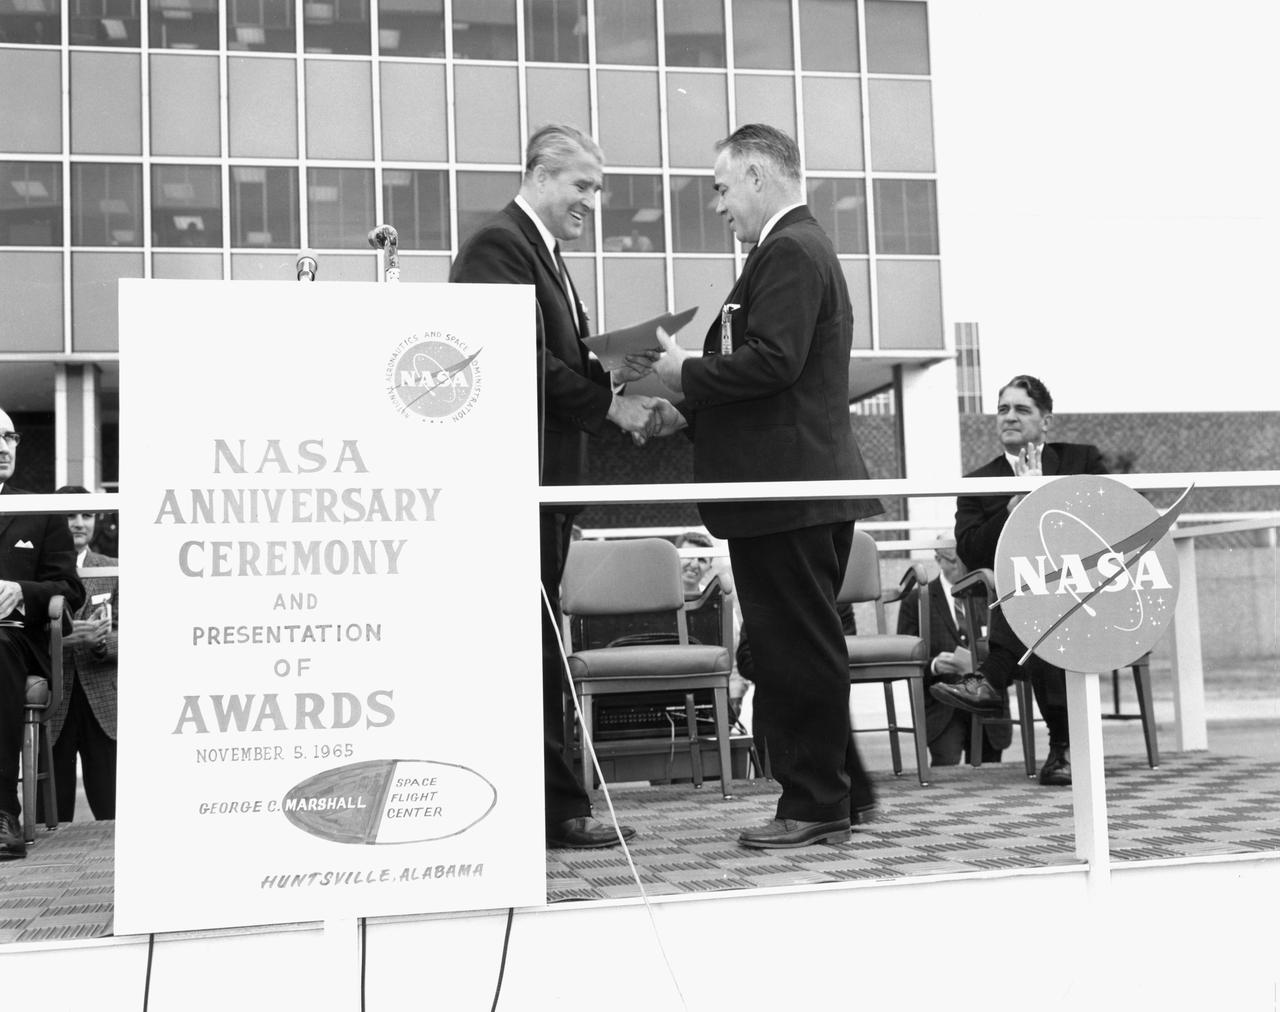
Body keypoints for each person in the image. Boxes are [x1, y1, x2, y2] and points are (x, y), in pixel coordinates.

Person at [650, 123, 881, 849]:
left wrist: (683, 371)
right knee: (798, 645)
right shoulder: (795, 249)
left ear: (756, 175)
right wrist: (684, 412)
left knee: (794, 650)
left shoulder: (788, 250)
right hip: (789, 490)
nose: (718, 205)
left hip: (787, 495)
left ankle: (816, 804)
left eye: (721, 188)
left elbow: (773, 363)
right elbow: (775, 384)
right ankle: (843, 790)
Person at [449, 123, 667, 850]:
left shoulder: (543, 254)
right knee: (528, 648)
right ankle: (555, 809)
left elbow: (557, 359)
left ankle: (557, 804)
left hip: (547, 485)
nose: (592, 201)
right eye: (582, 185)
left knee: (537, 643)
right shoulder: (497, 247)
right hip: (518, 485)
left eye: (598, 188)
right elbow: (511, 358)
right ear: (540, 175)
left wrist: (617, 369)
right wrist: (609, 403)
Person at [929, 375, 1106, 786]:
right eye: (1003, 409)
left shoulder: (1081, 460)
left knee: (1045, 594)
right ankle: (1061, 751)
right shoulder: (977, 482)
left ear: (1046, 420)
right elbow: (971, 551)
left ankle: (992, 676)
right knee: (1038, 600)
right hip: (1031, 602)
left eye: (1022, 409)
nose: (1010, 416)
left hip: (1089, 590)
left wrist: (1042, 498)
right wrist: (1013, 507)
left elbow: (1109, 519)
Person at [0, 411, 85, 859]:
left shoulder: (40, 512)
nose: (4, 447)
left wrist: (21, 591)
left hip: (13, 642)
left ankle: (1, 811)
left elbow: (70, 590)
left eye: (10, 436)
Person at [38, 486, 118, 822]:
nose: (78, 523)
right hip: (54, 699)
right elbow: (20, 635)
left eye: (86, 514)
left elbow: (143, 633)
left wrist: (102, 642)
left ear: (96, 520)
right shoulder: (37, 572)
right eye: (70, 515)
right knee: (51, 813)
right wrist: (62, 640)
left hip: (104, 701)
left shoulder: (115, 569)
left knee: (113, 810)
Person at [896, 539, 1009, 766]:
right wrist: (934, 665)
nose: (962, 566)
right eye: (953, 560)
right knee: (945, 769)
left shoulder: (988, 593)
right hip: (943, 705)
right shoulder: (916, 600)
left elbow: (1008, 648)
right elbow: (903, 654)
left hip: (987, 702)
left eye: (964, 559)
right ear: (938, 560)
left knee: (991, 772)